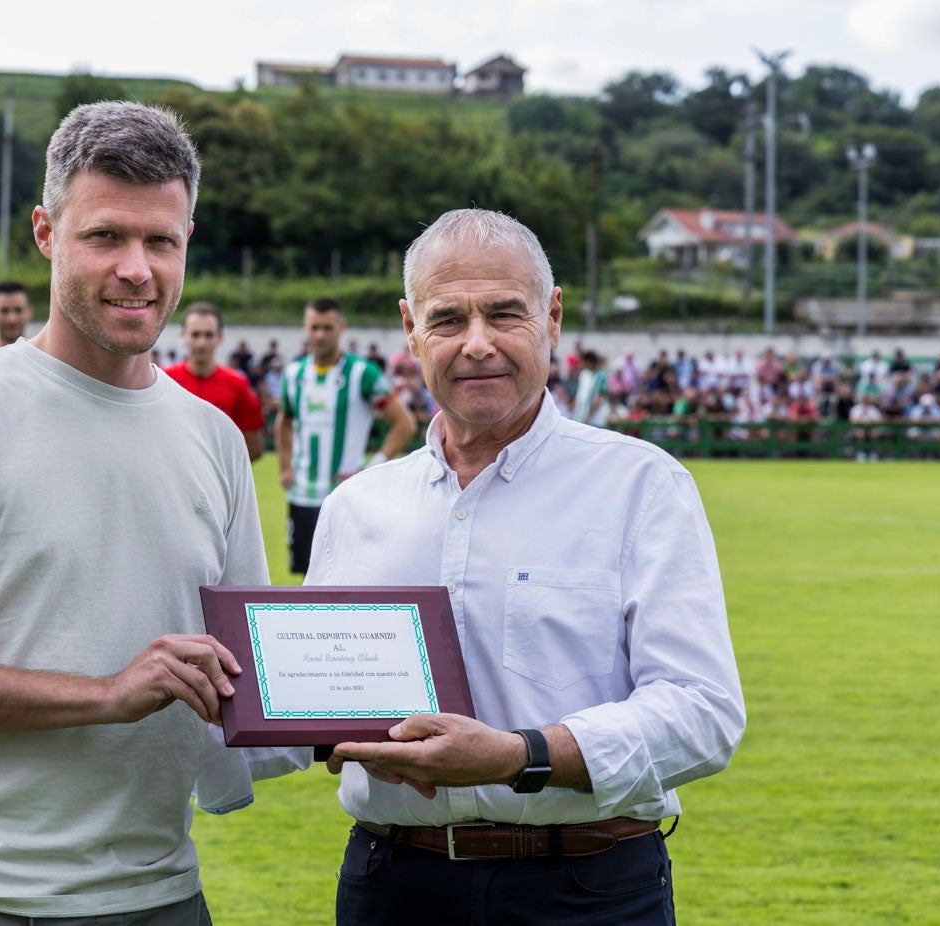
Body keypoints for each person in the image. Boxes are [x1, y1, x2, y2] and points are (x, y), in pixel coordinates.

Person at [0, 101, 308, 926]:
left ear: (187, 242)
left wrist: (377, 717)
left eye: (159, 240)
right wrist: (103, 693)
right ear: (46, 233)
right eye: (105, 236)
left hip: (160, 891)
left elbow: (243, 674)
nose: (137, 267)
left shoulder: (214, 438)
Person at [307, 209, 745, 925]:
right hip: (394, 884)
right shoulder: (357, 506)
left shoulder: (640, 486)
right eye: (447, 319)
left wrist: (517, 755)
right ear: (409, 330)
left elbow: (702, 714)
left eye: (504, 313)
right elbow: (316, 702)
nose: (477, 344)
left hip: (585, 888)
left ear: (552, 316)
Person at [275, 298, 415, 574]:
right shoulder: (294, 374)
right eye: (314, 327)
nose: (319, 335)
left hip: (346, 496)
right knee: (307, 582)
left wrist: (371, 469)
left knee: (351, 577)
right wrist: (284, 465)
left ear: (342, 327)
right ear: (305, 327)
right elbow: (284, 422)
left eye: (327, 328)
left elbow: (404, 424)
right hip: (302, 496)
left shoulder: (362, 373)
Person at [163, 301, 266, 461]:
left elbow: (254, 447)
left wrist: (223, 472)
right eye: (195, 334)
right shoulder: (164, 380)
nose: (202, 342)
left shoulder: (237, 384)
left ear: (219, 338)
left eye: (209, 335)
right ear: (183, 335)